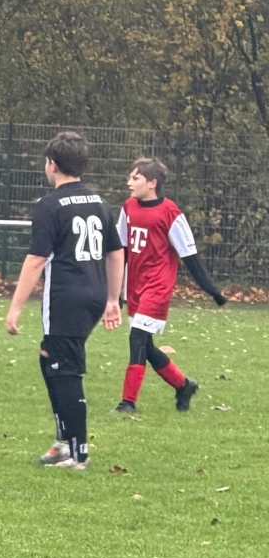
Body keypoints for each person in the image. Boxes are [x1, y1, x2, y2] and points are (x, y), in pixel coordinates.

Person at [5, 130, 124, 471]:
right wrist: (112, 299)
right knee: (50, 357)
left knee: (65, 370)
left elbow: (36, 260)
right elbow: (116, 253)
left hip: (66, 297)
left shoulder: (49, 205)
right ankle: (62, 442)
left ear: (52, 165)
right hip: (94, 294)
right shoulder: (98, 202)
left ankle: (78, 453)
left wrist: (15, 308)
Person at [115, 157, 228, 414]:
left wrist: (211, 290)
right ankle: (184, 385)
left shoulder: (170, 213)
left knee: (136, 338)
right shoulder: (128, 207)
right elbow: (122, 251)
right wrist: (116, 291)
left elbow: (190, 257)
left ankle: (128, 402)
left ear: (152, 183)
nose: (129, 182)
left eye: (135, 178)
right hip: (135, 285)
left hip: (157, 286)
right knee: (146, 346)